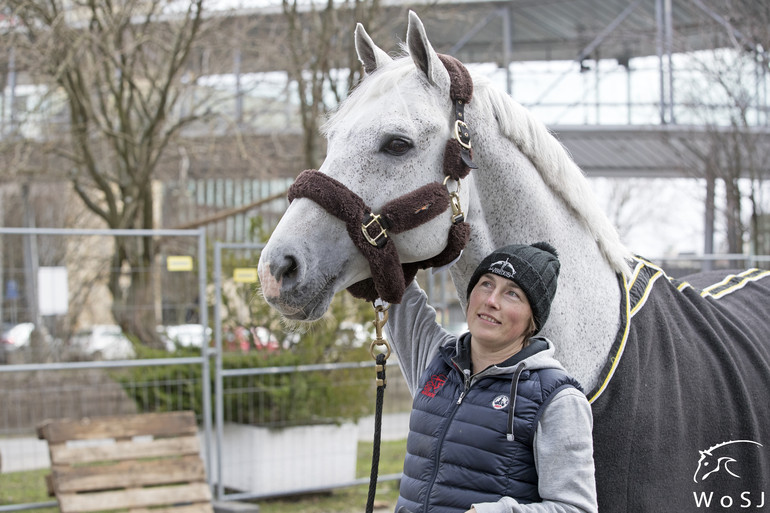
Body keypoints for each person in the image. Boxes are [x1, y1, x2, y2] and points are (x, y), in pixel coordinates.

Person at [385, 242, 597, 513]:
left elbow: (578, 509)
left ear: (533, 319)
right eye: (486, 283)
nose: (491, 300)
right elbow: (391, 281)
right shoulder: (436, 359)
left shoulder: (557, 398)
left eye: (512, 294)